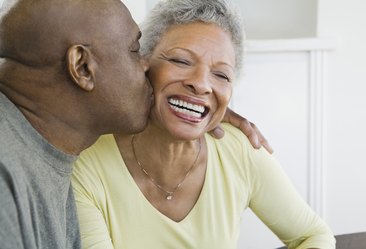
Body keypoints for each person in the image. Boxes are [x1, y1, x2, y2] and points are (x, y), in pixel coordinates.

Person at [0, 0, 268, 248]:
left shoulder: (44, 145)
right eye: (135, 50)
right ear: (82, 67)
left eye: (220, 74)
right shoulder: (7, 182)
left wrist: (197, 104)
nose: (146, 66)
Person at [72, 0, 335, 249]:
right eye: (180, 60)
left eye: (221, 74)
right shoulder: (86, 165)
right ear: (142, 64)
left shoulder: (239, 151)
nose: (201, 84)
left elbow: (314, 236)